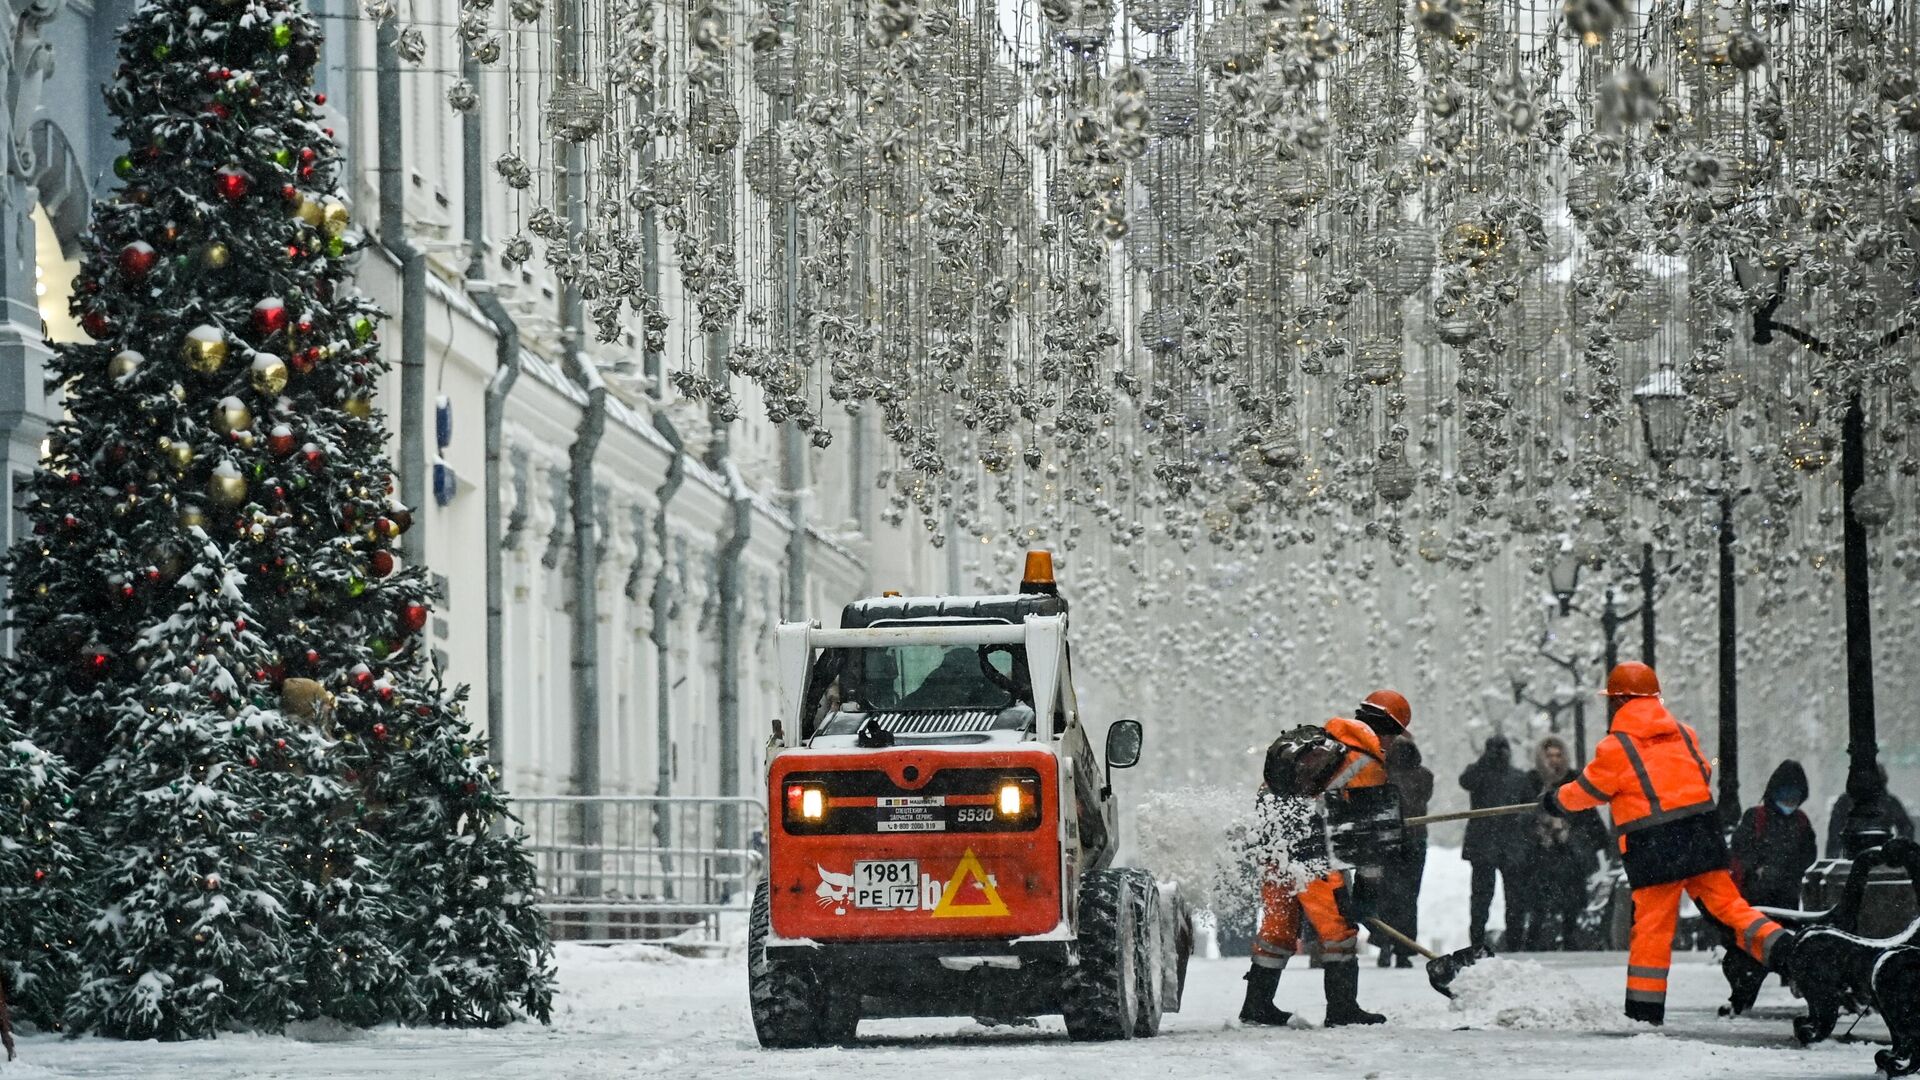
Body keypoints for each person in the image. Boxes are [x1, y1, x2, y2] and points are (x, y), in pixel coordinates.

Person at [1543, 662, 1796, 1025]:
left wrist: (1554, 801)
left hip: (1655, 846)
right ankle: (1790, 952)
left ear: (1618, 701)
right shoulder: (1683, 732)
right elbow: (1703, 771)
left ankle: (1645, 1013)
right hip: (1700, 834)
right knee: (1730, 907)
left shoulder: (1615, 747)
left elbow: (1586, 792)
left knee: (1653, 930)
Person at [1242, 689, 1410, 1028]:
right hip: (1311, 855)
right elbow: (1366, 841)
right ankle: (1343, 1009)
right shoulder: (1367, 761)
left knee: (1278, 927)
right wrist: (1366, 893)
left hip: (1273, 845)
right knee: (1339, 931)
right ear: (1389, 730)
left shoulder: (1322, 739)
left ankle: (1257, 1006)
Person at [1721, 760, 1818, 1015]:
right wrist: (1760, 869)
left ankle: (1742, 1000)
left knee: (1763, 950)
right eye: (1785, 795)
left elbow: (1807, 854)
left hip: (1784, 899)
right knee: (1751, 952)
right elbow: (1741, 851)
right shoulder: (1757, 817)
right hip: (1757, 899)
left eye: (1794, 796)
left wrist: (1786, 872)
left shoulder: (1800, 822)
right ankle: (1741, 999)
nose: (1789, 801)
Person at [1513, 735, 1606, 950]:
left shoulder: (1574, 780)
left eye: (1558, 755)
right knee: (1538, 902)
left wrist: (1569, 830)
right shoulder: (1531, 781)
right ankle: (1535, 940)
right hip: (1540, 853)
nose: (1554, 760)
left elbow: (1589, 818)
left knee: (1571, 900)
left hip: (1568, 853)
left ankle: (1569, 937)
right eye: (1549, 756)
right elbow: (1520, 817)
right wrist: (1539, 828)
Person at [1458, 734, 1537, 948]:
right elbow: (1465, 781)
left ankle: (1510, 940)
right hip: (1493, 843)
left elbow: (1530, 808)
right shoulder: (1482, 775)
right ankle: (1483, 941)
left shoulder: (1517, 777)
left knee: (1508, 897)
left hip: (1501, 843)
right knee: (1487, 897)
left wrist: (1519, 824)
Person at [1375, 735, 1433, 968]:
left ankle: (1386, 943)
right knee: (1409, 896)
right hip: (1415, 839)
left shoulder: (1381, 775)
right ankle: (1403, 949)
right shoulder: (1424, 776)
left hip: (1388, 840)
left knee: (1386, 895)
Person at [1824, 763, 1914, 857]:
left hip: (1855, 857)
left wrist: (1832, 858)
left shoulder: (1845, 802)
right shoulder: (1889, 802)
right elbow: (1907, 828)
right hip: (1880, 857)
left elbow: (1834, 837)